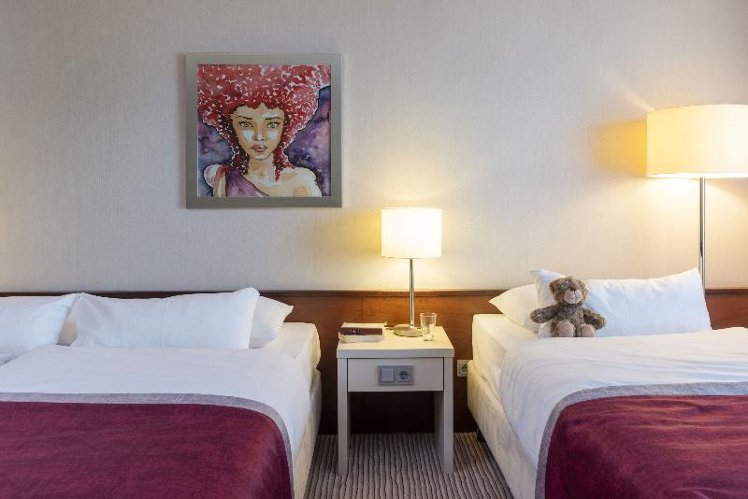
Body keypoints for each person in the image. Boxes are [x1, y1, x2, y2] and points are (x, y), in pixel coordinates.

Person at [197, 64, 330, 197]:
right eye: (246, 124)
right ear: (230, 127)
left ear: (286, 127)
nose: (259, 136)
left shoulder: (301, 182)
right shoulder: (224, 178)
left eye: (272, 124)